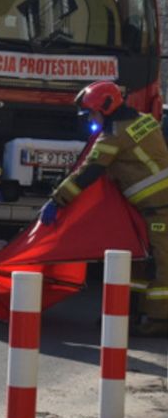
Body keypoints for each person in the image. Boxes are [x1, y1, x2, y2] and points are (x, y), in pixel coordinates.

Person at [44, 81, 168, 337]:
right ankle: (131, 314)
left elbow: (88, 172)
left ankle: (159, 320)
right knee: (141, 262)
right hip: (151, 206)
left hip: (159, 207)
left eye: (92, 113)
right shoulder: (144, 120)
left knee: (161, 263)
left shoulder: (113, 136)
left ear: (106, 108)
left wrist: (57, 200)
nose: (91, 119)